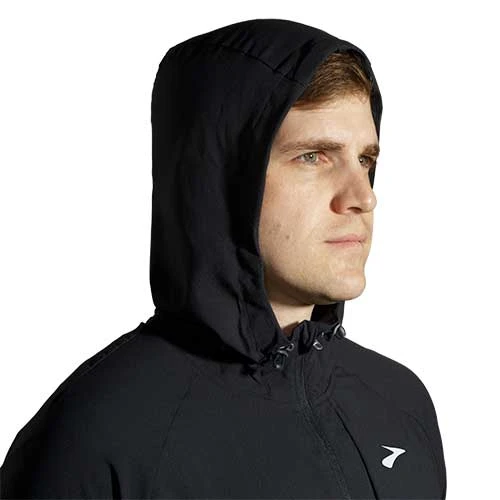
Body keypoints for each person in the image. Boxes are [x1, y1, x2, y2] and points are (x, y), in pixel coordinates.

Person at [0, 18, 447, 499]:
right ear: (221, 180)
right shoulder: (94, 439)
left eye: (365, 160)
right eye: (314, 156)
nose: (362, 197)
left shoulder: (399, 402)